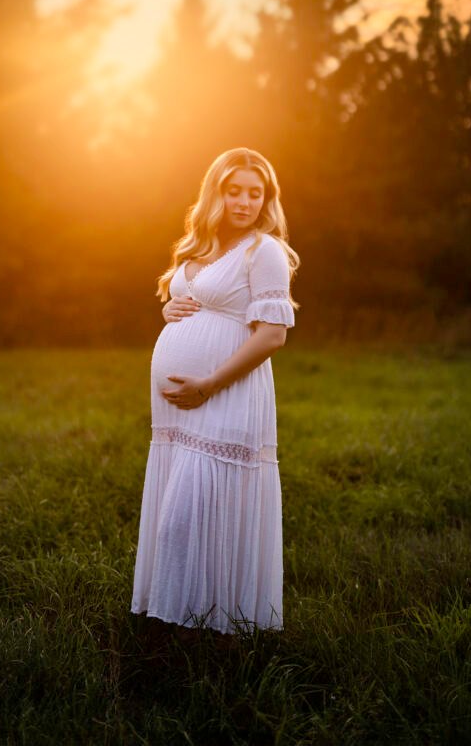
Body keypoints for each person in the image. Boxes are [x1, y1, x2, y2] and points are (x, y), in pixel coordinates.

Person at [130, 147, 299, 642]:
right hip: (178, 410)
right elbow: (187, 300)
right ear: (216, 193)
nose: (245, 201)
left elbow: (272, 335)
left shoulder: (262, 250)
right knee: (177, 511)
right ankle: (177, 624)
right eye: (234, 190)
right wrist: (170, 314)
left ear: (266, 199)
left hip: (225, 393)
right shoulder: (199, 245)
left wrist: (208, 384)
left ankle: (211, 629)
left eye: (255, 192)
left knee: (188, 515)